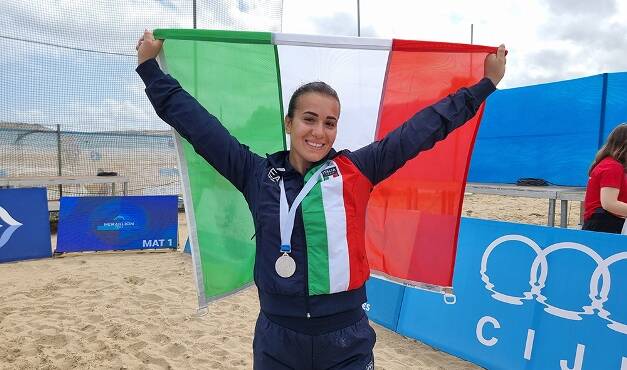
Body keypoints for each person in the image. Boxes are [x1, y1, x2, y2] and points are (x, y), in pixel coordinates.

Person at [136, 30, 506, 369]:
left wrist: (485, 85)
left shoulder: (358, 170)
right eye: (309, 119)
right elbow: (199, 126)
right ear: (289, 123)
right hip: (277, 340)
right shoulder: (256, 174)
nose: (318, 132)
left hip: (346, 340)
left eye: (329, 123)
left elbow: (424, 128)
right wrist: (150, 69)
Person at [582, 123, 627, 234]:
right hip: (604, 226)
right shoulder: (612, 167)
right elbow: (609, 204)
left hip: (602, 223)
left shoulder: (607, 164)